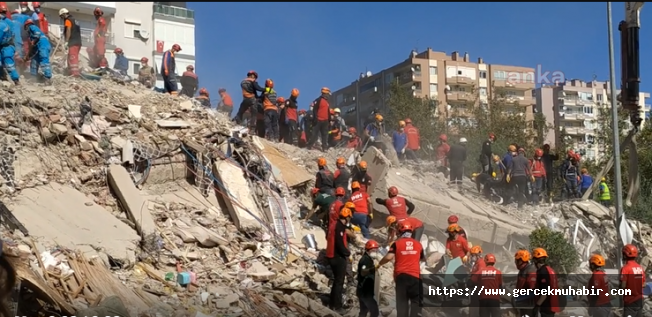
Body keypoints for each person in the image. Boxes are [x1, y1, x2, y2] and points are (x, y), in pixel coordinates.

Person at [377, 222, 424, 317]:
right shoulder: (418, 244)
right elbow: (422, 258)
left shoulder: (397, 244)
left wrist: (379, 264)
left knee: (402, 303)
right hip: (416, 277)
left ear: (400, 232)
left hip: (401, 276)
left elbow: (389, 257)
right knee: (416, 302)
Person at [326, 207, 352, 314]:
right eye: (350, 217)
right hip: (337, 256)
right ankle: (337, 306)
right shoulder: (340, 227)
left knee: (337, 281)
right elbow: (339, 243)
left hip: (331, 255)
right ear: (347, 217)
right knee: (339, 282)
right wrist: (347, 253)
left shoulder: (334, 223)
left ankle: (332, 303)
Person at [531, 248, 561, 317]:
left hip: (546, 306)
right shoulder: (550, 269)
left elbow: (545, 292)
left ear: (536, 260)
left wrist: (537, 306)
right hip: (552, 305)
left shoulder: (543, 272)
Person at [620, 244, 645, 317]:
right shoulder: (640, 268)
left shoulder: (625, 268)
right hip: (640, 300)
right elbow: (644, 284)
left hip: (630, 302)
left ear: (625, 255)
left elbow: (623, 286)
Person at [357, 240, 380, 317]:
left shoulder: (369, 259)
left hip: (365, 291)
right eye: (373, 250)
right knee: (374, 311)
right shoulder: (365, 260)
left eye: (376, 250)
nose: (375, 252)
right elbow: (363, 272)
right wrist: (373, 269)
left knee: (363, 311)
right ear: (368, 250)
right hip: (364, 291)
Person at [23, 19, 51, 84]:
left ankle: (47, 77)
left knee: (43, 60)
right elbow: (33, 48)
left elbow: (37, 35)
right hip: (39, 47)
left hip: (43, 46)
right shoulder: (31, 35)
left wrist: (33, 41)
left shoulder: (32, 27)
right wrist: (28, 56)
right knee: (34, 60)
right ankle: (33, 77)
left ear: (27, 25)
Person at [307, 87, 331, 152]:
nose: (328, 95)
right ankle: (309, 146)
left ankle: (324, 148)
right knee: (314, 134)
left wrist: (329, 120)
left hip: (325, 121)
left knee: (325, 135)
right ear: (325, 94)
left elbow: (328, 112)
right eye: (327, 94)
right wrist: (315, 118)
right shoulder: (318, 100)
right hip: (318, 120)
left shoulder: (327, 102)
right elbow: (314, 110)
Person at [59, 8, 82, 77]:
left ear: (64, 14)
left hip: (73, 41)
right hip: (78, 42)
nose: (61, 18)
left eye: (61, 16)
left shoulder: (68, 20)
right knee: (71, 56)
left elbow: (68, 30)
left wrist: (66, 41)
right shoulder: (75, 20)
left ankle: (74, 74)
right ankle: (70, 72)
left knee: (72, 57)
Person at [513, 249, 536, 316]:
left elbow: (532, 289)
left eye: (517, 260)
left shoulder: (530, 270)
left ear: (521, 260)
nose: (516, 262)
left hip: (528, 304)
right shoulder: (523, 269)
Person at [0, 7, 19, 85]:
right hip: (4, 45)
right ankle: (3, 77)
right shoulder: (5, 22)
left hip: (6, 46)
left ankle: (16, 80)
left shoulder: (3, 24)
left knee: (8, 63)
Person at [467, 246, 486, 317]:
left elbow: (479, 274)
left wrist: (472, 280)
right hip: (475, 287)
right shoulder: (476, 263)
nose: (472, 256)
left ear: (478, 255)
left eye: (473, 255)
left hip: (478, 287)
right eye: (472, 255)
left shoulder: (481, 263)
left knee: (475, 304)